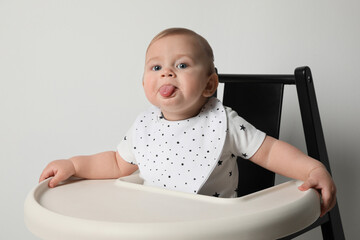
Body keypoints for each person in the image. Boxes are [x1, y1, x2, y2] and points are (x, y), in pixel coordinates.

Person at [39, 27, 336, 217]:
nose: (167, 72)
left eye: (181, 65)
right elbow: (117, 163)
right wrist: (75, 165)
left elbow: (270, 152)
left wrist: (312, 168)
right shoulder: (144, 127)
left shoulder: (224, 122)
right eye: (157, 67)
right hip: (156, 223)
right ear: (144, 83)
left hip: (215, 226)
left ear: (209, 85)